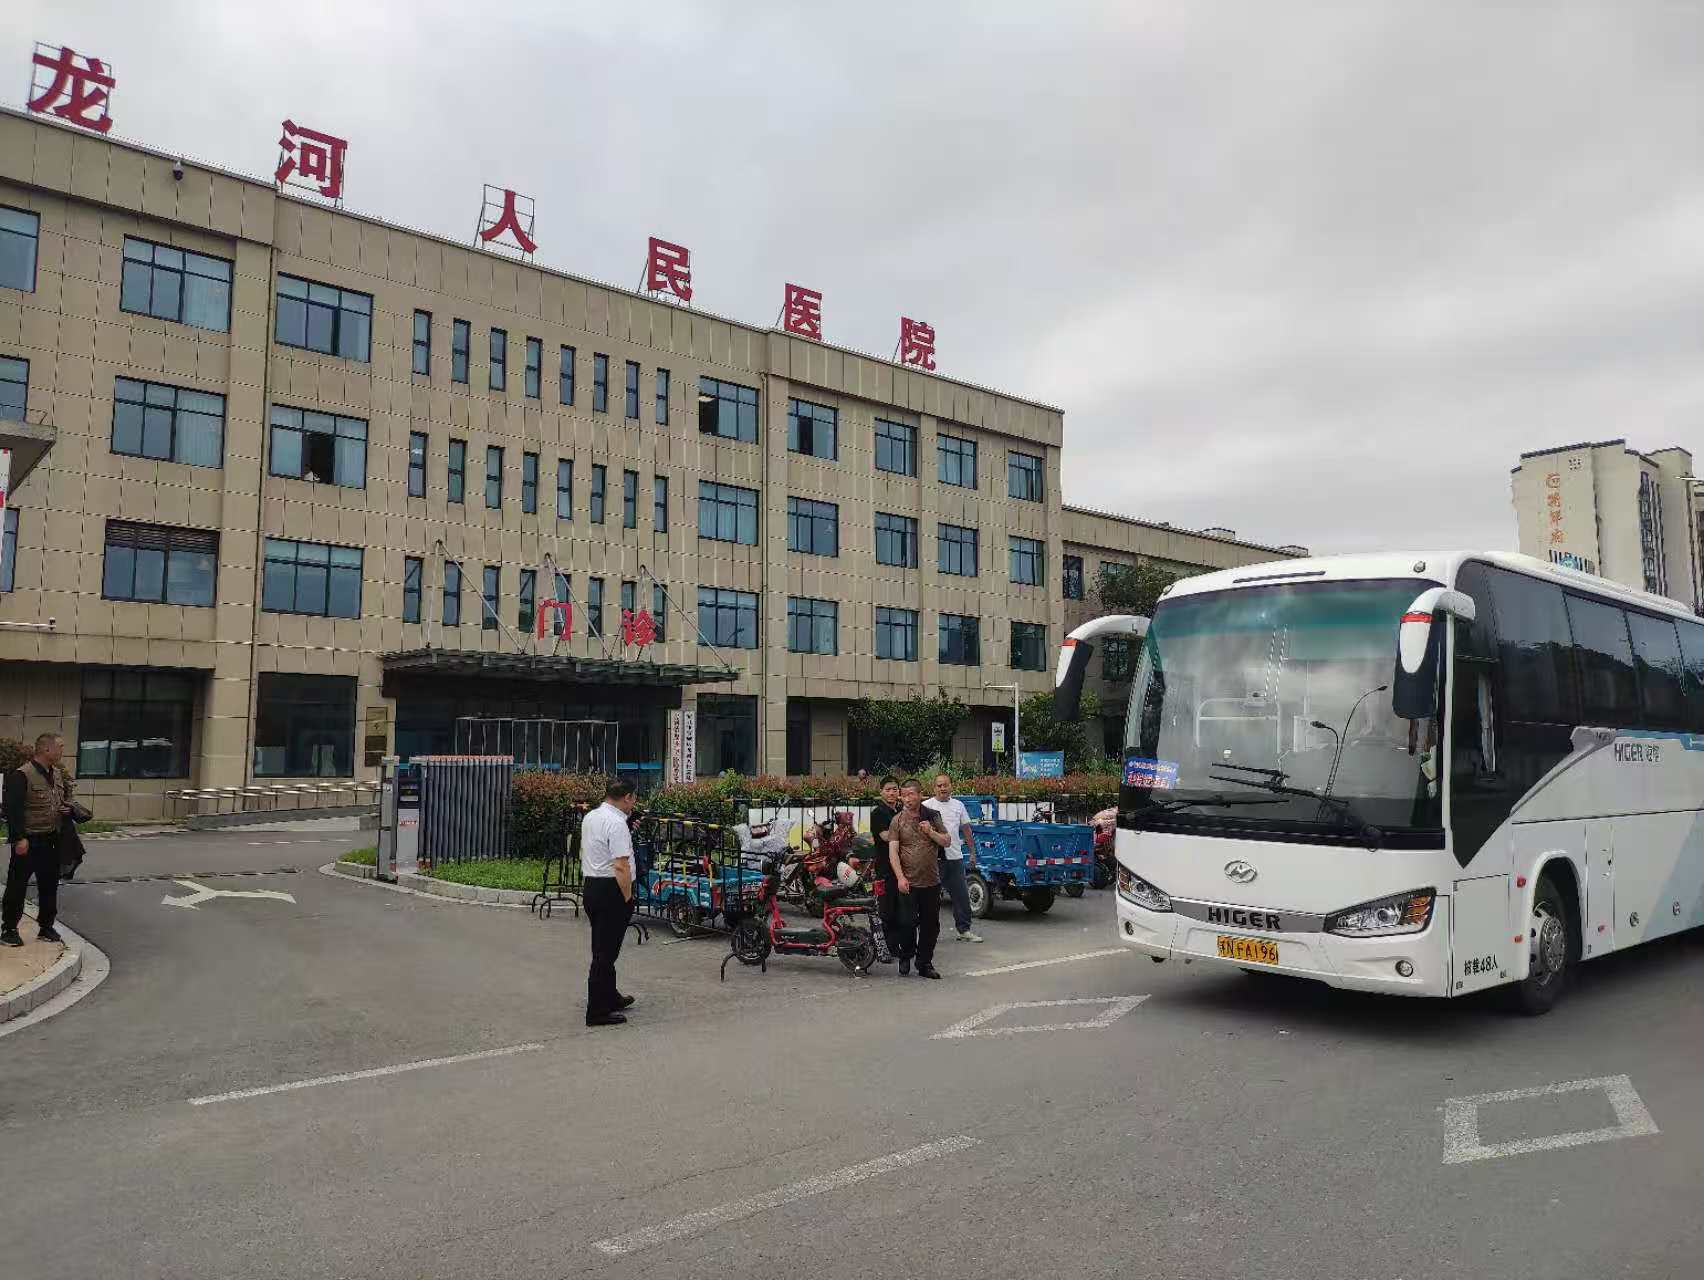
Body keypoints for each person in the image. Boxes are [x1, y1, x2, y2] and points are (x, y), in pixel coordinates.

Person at [2, 733, 74, 947]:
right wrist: (19, 838)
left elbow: (59, 799)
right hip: (29, 841)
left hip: (51, 839)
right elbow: (13, 810)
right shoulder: (22, 775)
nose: (62, 751)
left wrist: (67, 809)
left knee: (49, 885)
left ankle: (46, 927)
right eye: (60, 746)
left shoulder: (57, 773)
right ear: (46, 749)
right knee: (17, 886)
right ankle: (9, 929)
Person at [580, 781, 640, 1027]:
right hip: (611, 890)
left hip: (592, 886)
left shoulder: (592, 816)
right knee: (605, 954)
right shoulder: (616, 824)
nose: (634, 804)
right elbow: (621, 866)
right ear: (627, 797)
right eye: (634, 799)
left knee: (602, 947)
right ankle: (597, 1011)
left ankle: (610, 996)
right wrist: (627, 897)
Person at [887, 778, 950, 978]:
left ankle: (924, 963)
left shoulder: (932, 816)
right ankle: (906, 956)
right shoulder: (897, 820)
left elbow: (947, 841)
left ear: (920, 795)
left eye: (911, 794)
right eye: (904, 795)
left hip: (931, 881)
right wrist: (900, 878)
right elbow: (893, 852)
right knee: (906, 923)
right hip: (908, 882)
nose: (907, 799)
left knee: (930, 925)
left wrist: (930, 832)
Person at [924, 774, 983, 943]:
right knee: (930, 899)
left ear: (951, 786)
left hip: (955, 857)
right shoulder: (926, 806)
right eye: (939, 785)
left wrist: (972, 852)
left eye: (945, 785)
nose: (942, 788)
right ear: (934, 788)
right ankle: (927, 933)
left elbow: (966, 830)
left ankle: (964, 930)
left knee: (961, 896)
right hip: (933, 860)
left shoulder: (958, 805)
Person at [869, 776, 903, 964]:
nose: (891, 793)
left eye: (895, 789)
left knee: (901, 908)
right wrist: (907, 833)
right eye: (888, 789)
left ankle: (898, 945)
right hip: (885, 868)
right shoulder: (878, 813)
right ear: (881, 792)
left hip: (902, 867)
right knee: (886, 909)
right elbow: (886, 837)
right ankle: (886, 947)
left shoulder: (901, 810)